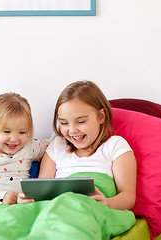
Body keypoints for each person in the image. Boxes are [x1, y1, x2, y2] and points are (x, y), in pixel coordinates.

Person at [38, 80, 137, 210]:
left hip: (93, 209)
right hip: (59, 208)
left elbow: (128, 196)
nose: (72, 130)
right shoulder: (56, 147)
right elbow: (41, 194)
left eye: (81, 121)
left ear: (101, 116)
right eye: (64, 123)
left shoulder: (115, 146)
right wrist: (28, 200)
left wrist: (107, 203)